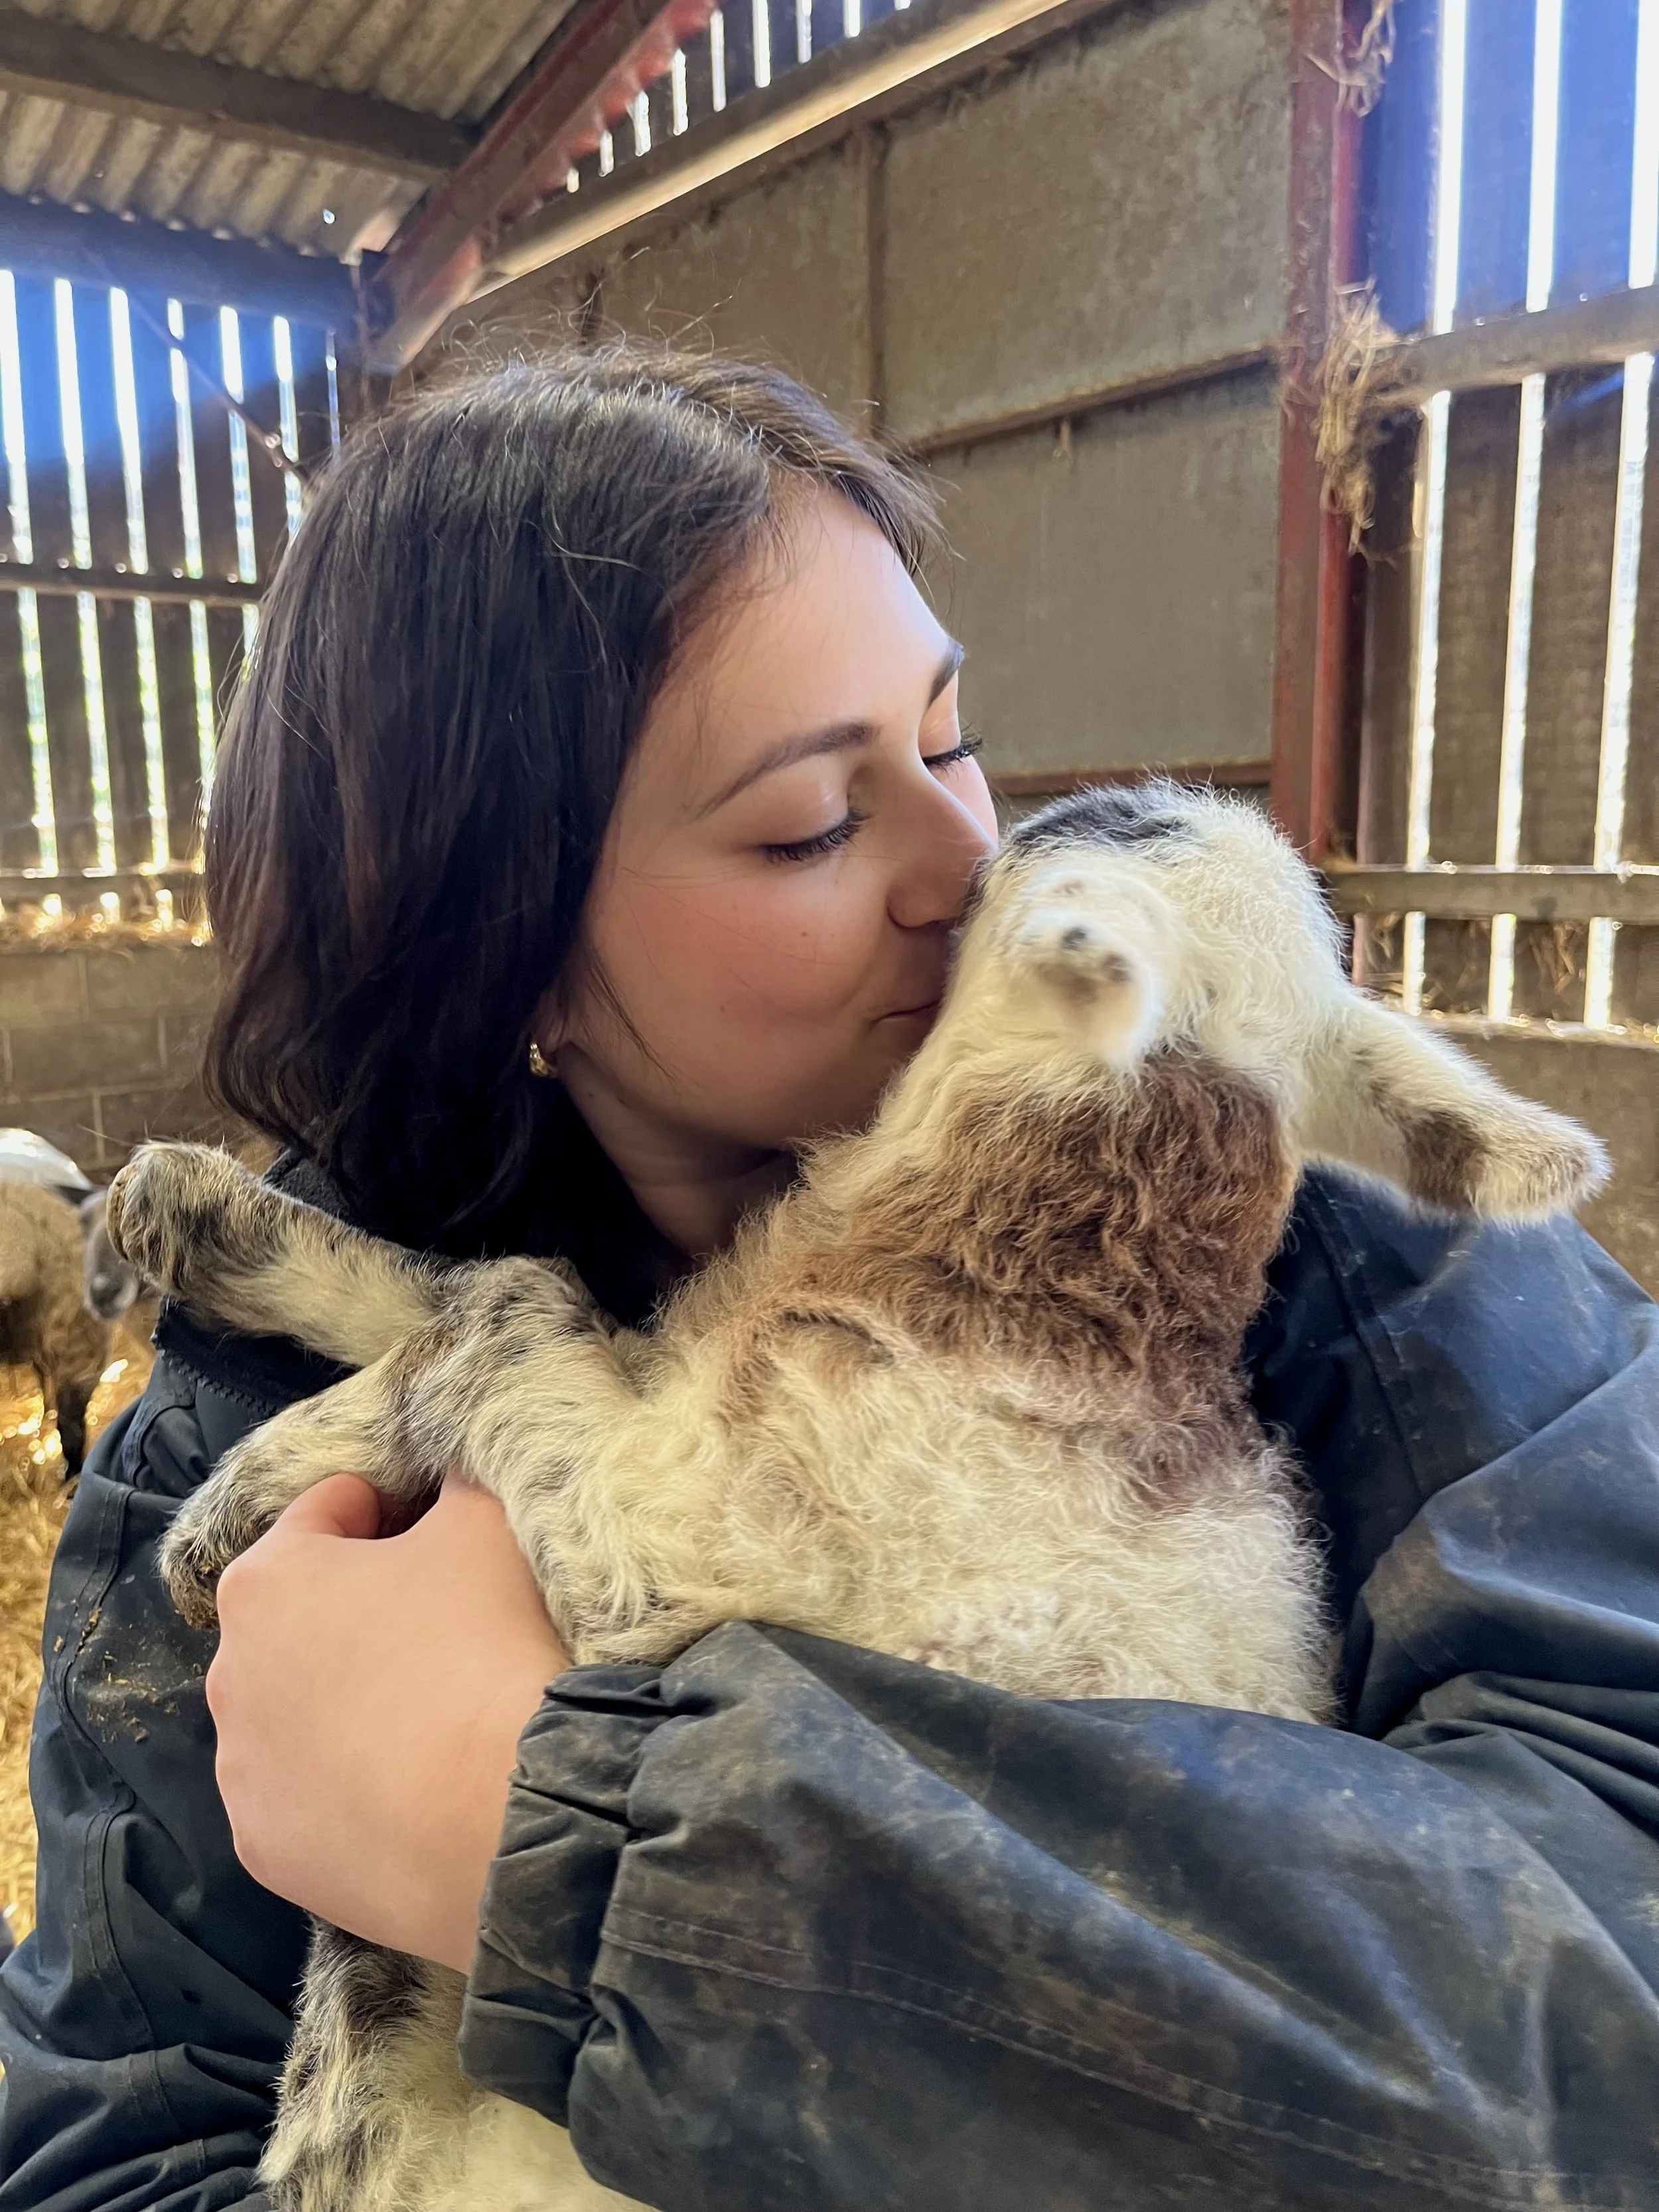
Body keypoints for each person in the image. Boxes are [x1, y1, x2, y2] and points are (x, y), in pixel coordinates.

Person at [1, 346, 1656, 2212]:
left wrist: (563, 1835)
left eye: (948, 735)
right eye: (808, 822)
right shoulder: (240, 1437)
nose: (974, 859)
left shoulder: (1354, 1272)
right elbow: (116, 2145)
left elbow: (1605, 1993)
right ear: (513, 961)